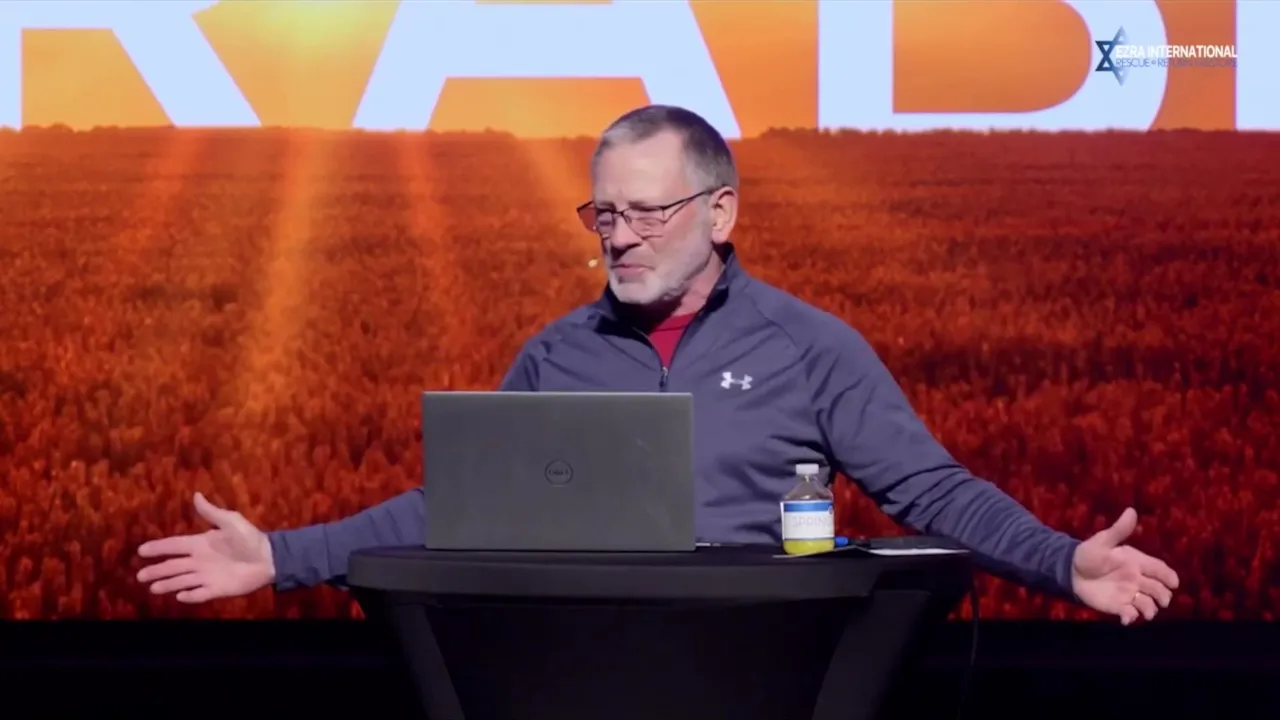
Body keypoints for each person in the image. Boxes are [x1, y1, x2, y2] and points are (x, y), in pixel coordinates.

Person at [137, 104, 1179, 625]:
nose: (619, 237)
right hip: (578, 674)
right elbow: (460, 508)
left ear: (720, 213)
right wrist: (281, 555)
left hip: (758, 670)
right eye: (603, 214)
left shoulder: (808, 346)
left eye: (646, 211)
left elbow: (930, 489)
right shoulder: (555, 354)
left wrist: (1061, 563)